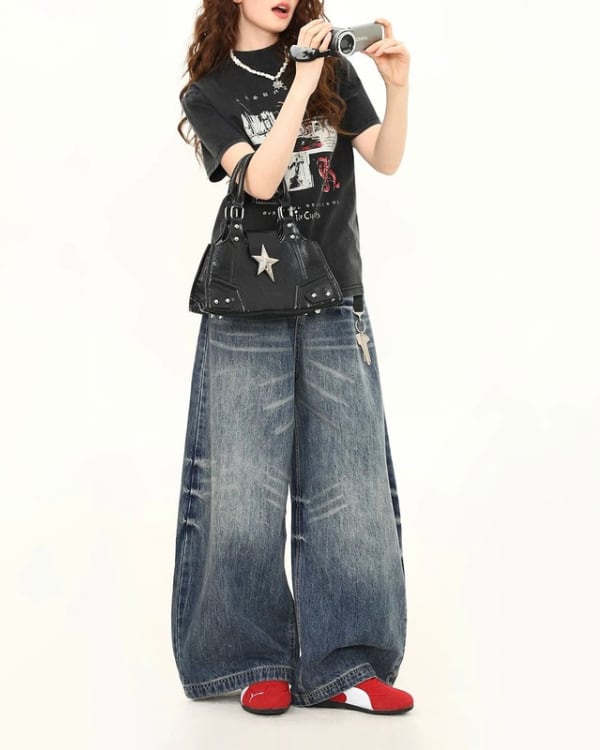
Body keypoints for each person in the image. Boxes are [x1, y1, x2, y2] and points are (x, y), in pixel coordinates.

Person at [171, 0, 412, 716]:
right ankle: (248, 658)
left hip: (336, 297)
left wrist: (397, 86)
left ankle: (348, 664)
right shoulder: (209, 90)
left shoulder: (332, 68)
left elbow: (386, 158)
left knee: (351, 485)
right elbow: (261, 180)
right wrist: (301, 83)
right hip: (248, 308)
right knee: (239, 489)